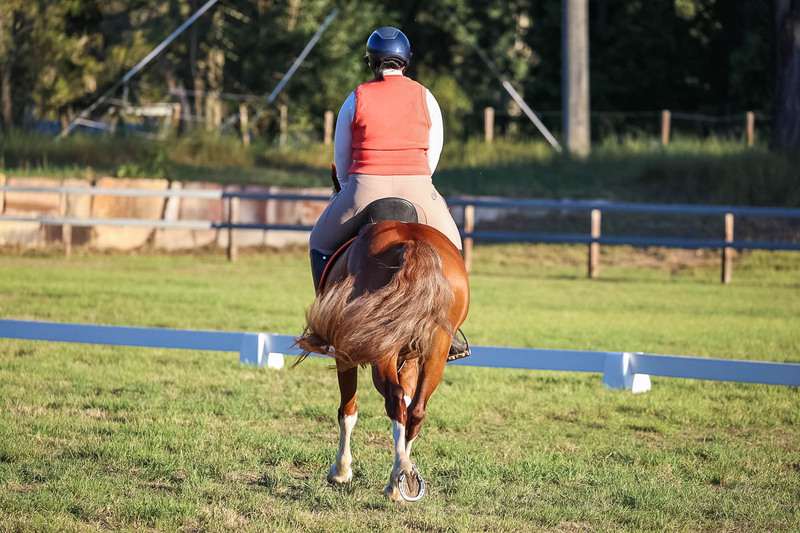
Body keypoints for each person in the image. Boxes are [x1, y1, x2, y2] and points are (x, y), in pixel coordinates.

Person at [308, 26, 463, 290]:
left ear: (371, 61)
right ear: (406, 60)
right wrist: (420, 180)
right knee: (454, 248)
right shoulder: (426, 96)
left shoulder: (355, 97)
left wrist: (347, 186)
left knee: (319, 243)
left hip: (363, 190)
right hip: (418, 190)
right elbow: (432, 154)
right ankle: (455, 325)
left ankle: (324, 316)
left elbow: (342, 157)